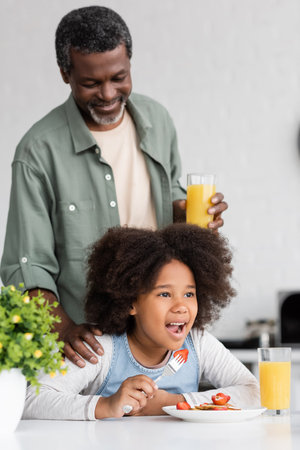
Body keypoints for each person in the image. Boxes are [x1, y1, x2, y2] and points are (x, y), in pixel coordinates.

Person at [0, 6, 228, 368]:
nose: (108, 93)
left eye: (119, 77)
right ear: (65, 73)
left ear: (130, 63)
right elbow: (26, 266)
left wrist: (185, 213)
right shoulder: (37, 152)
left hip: (162, 346)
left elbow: (168, 194)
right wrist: (64, 330)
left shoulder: (157, 120)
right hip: (90, 354)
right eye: (91, 83)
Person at [23, 224, 259, 420]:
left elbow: (254, 392)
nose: (181, 306)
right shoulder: (101, 348)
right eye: (165, 294)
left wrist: (173, 403)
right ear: (130, 302)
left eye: (189, 294)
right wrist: (106, 405)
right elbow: (32, 399)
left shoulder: (198, 343)